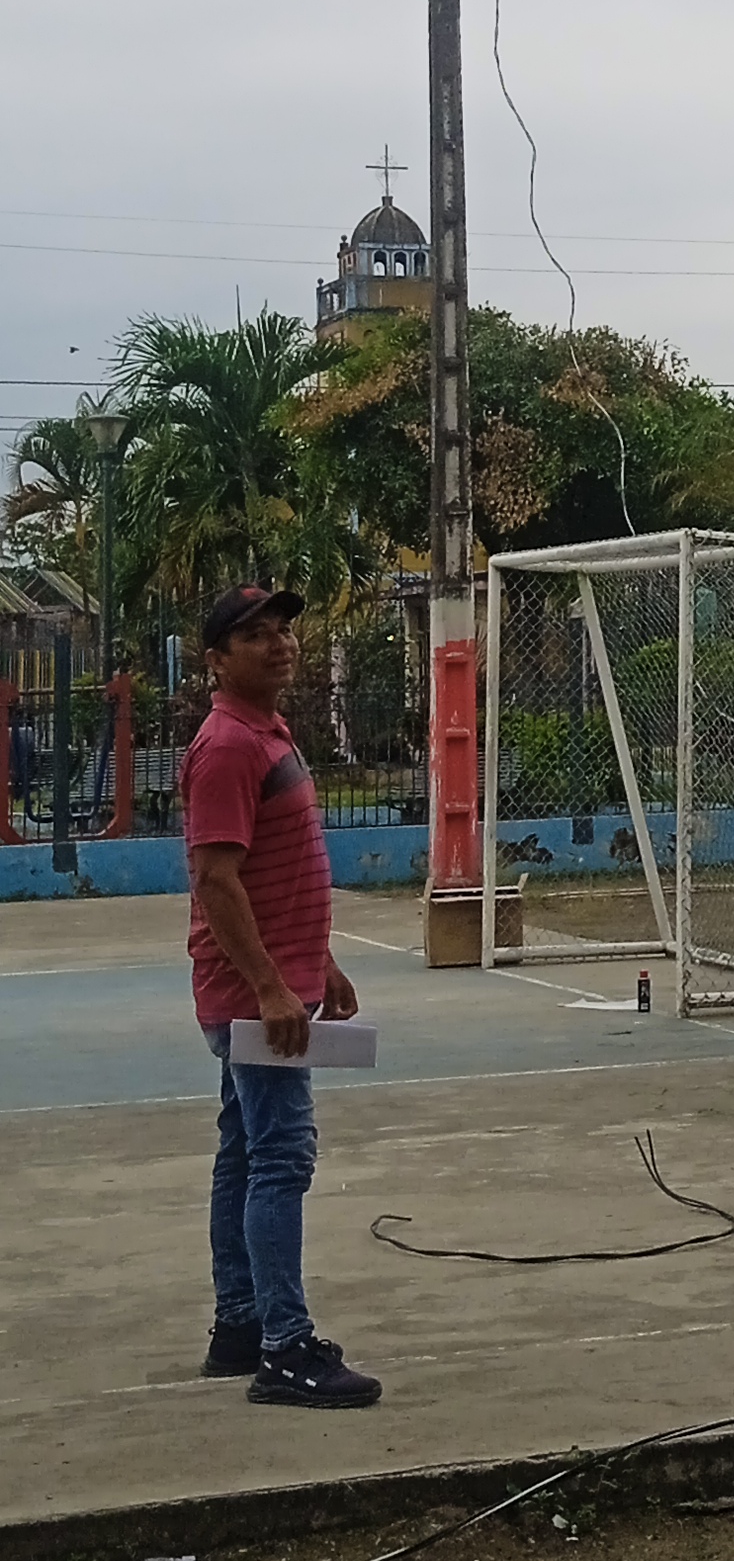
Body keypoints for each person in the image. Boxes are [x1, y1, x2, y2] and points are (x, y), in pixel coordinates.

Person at [181, 582, 381, 1409]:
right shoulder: (229, 746)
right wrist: (268, 986)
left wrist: (317, 961)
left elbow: (277, 869)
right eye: (255, 635)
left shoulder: (267, 732)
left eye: (283, 631)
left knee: (244, 1150)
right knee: (282, 1158)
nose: (279, 644)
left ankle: (241, 1322)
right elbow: (216, 879)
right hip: (250, 998)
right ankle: (285, 1348)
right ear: (217, 660)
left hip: (274, 984)